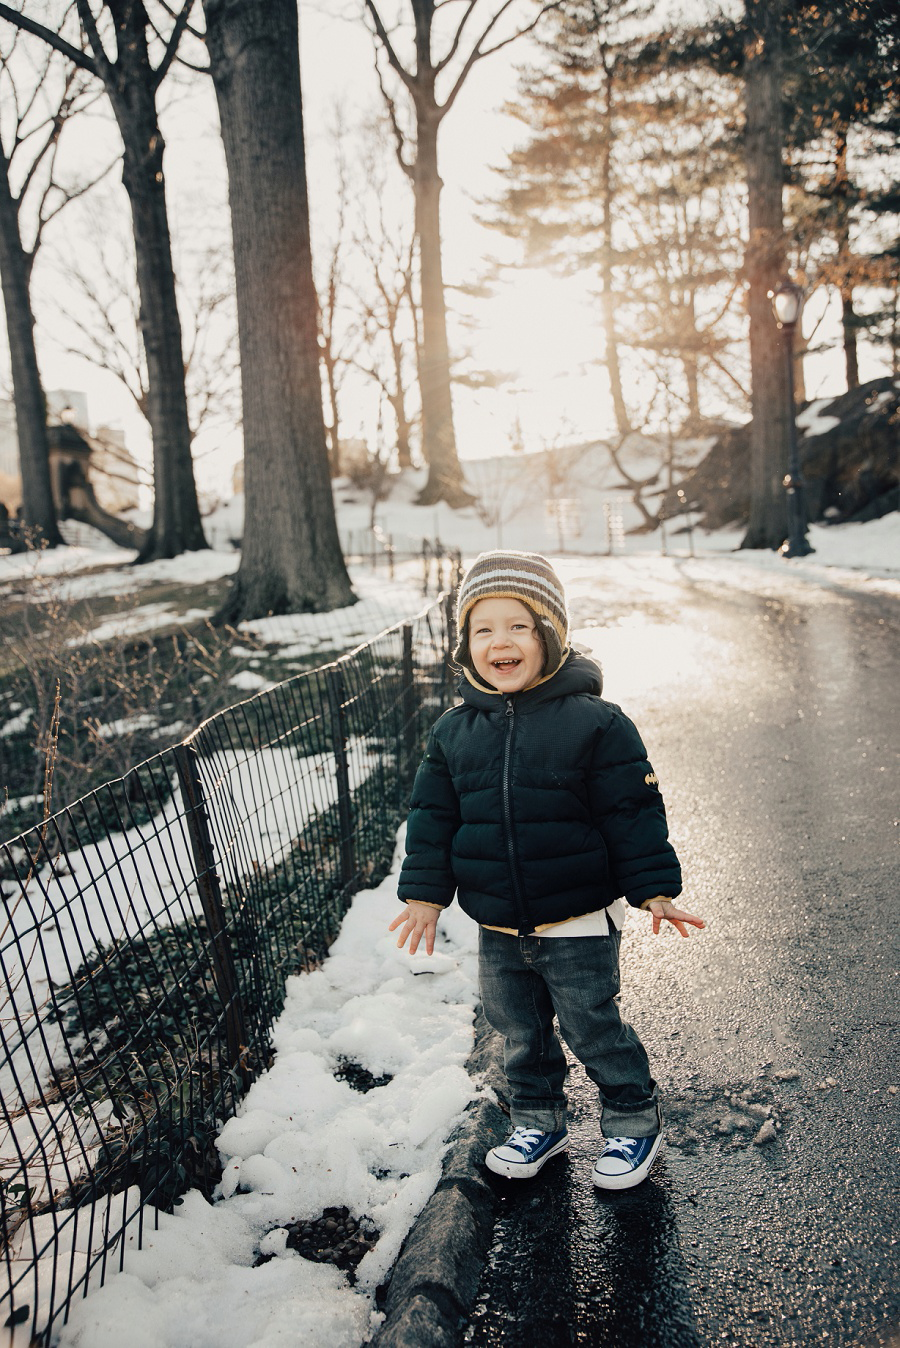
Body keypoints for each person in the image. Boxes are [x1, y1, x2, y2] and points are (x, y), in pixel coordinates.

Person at [390, 550, 704, 1189]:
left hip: (578, 919)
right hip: (500, 925)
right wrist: (424, 894)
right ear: (465, 645)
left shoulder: (595, 723)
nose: (499, 641)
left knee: (593, 1025)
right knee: (519, 1031)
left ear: (550, 637)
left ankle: (632, 1119)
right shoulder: (454, 732)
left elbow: (631, 809)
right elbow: (432, 817)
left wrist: (653, 889)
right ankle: (539, 1118)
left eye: (518, 626)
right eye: (482, 629)